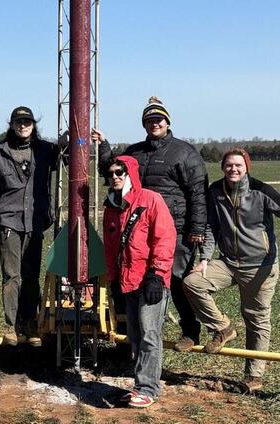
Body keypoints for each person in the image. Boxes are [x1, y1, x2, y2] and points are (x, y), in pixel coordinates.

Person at [183, 148, 280, 393]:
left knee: (256, 318)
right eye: (228, 165)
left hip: (261, 265)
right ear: (222, 168)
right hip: (227, 262)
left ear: (246, 167)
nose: (233, 169)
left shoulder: (261, 190)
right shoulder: (215, 191)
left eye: (238, 165)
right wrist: (204, 258)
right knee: (193, 283)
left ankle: (253, 377)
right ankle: (222, 327)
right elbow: (210, 227)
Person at [92, 96, 208, 352]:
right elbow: (114, 170)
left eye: (159, 120)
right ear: (144, 125)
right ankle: (129, 338)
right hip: (135, 228)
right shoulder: (135, 152)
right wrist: (104, 147)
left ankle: (190, 330)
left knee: (175, 280)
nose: (154, 124)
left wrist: (197, 228)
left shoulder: (184, 152)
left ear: (167, 122)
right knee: (130, 281)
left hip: (174, 228)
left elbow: (198, 193)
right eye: (149, 120)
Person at [0, 106, 61, 347]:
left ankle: (31, 322)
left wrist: (75, 137)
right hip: (9, 223)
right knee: (11, 276)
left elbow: (70, 154)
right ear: (12, 125)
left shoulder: (45, 150)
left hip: (35, 224)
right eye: (18, 122)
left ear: (33, 125)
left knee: (31, 276)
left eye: (27, 122)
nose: (23, 126)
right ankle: (12, 325)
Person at [103, 155, 176, 409]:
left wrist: (157, 274)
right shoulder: (111, 208)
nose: (115, 176)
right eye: (111, 172)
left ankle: (149, 388)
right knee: (134, 334)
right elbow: (110, 249)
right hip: (128, 282)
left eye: (120, 172)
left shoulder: (150, 200)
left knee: (149, 334)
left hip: (150, 281)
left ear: (130, 173)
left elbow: (165, 238)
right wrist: (113, 280)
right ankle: (139, 384)